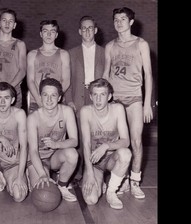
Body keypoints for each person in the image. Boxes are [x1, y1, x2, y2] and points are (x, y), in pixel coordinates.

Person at [102, 7, 154, 199]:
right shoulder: (110, 46)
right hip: (114, 99)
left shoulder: (141, 44)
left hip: (134, 99)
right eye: (116, 19)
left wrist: (147, 103)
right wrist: (101, 96)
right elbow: (106, 74)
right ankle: (120, 179)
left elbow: (148, 75)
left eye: (123, 19)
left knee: (136, 141)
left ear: (131, 22)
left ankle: (135, 181)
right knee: (117, 143)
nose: (119, 22)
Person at [64, 15, 105, 183]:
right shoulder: (71, 53)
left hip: (98, 97)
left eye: (90, 28)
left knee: (97, 133)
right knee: (80, 136)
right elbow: (66, 80)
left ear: (95, 30)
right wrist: (69, 100)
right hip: (78, 97)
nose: (87, 31)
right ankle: (79, 172)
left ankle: (97, 169)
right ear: (79, 31)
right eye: (84, 28)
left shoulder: (104, 51)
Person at [80, 78, 131, 209]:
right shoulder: (85, 112)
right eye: (95, 95)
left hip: (111, 159)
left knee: (125, 153)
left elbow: (126, 141)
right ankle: (100, 180)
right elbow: (86, 145)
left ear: (109, 96)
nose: (98, 99)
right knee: (91, 199)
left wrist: (106, 146)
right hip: (94, 162)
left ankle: (111, 191)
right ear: (90, 96)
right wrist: (90, 174)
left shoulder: (118, 109)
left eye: (102, 95)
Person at [26, 78, 78, 202]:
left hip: (55, 157)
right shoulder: (33, 118)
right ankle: (30, 174)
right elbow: (33, 151)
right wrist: (42, 174)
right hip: (37, 159)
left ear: (59, 97)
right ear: (40, 97)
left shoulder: (67, 111)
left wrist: (56, 144)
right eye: (45, 95)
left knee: (72, 154)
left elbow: (74, 141)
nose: (49, 99)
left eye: (53, 95)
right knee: (43, 193)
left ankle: (62, 185)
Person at [0, 8, 27, 109]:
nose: (7, 24)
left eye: (11, 21)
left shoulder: (20, 44)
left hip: (14, 91)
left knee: (14, 124)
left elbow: (22, 70)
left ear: (14, 25)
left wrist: (9, 89)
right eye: (4, 20)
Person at [27, 20, 70, 114]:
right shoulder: (32, 54)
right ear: (41, 34)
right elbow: (30, 80)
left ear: (56, 35)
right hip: (37, 100)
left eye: (53, 31)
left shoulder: (63, 54)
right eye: (45, 31)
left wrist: (53, 98)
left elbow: (66, 80)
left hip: (57, 101)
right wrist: (39, 99)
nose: (49, 34)